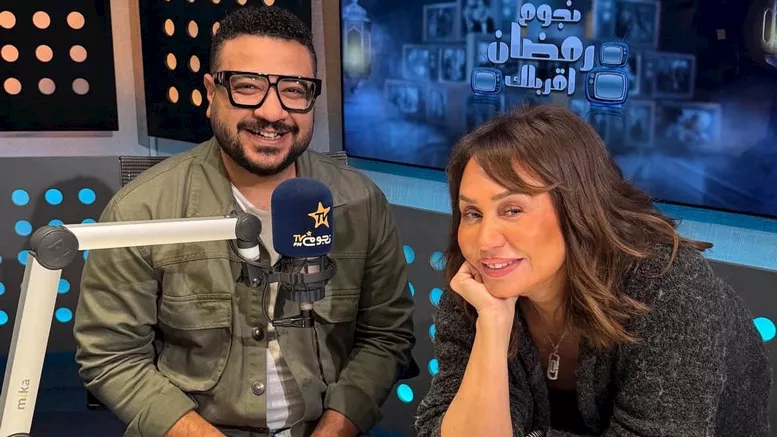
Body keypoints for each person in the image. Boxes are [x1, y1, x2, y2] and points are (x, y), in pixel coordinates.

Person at [74, 6, 416, 437]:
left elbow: (386, 335)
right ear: (210, 93)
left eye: (294, 90)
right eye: (248, 86)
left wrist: (334, 430)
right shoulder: (141, 212)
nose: (273, 112)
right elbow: (111, 355)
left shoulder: (361, 203)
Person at [414, 104, 772, 437]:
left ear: (577, 209)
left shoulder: (668, 287)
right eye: (472, 214)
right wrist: (493, 325)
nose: (485, 240)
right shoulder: (477, 291)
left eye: (512, 210)